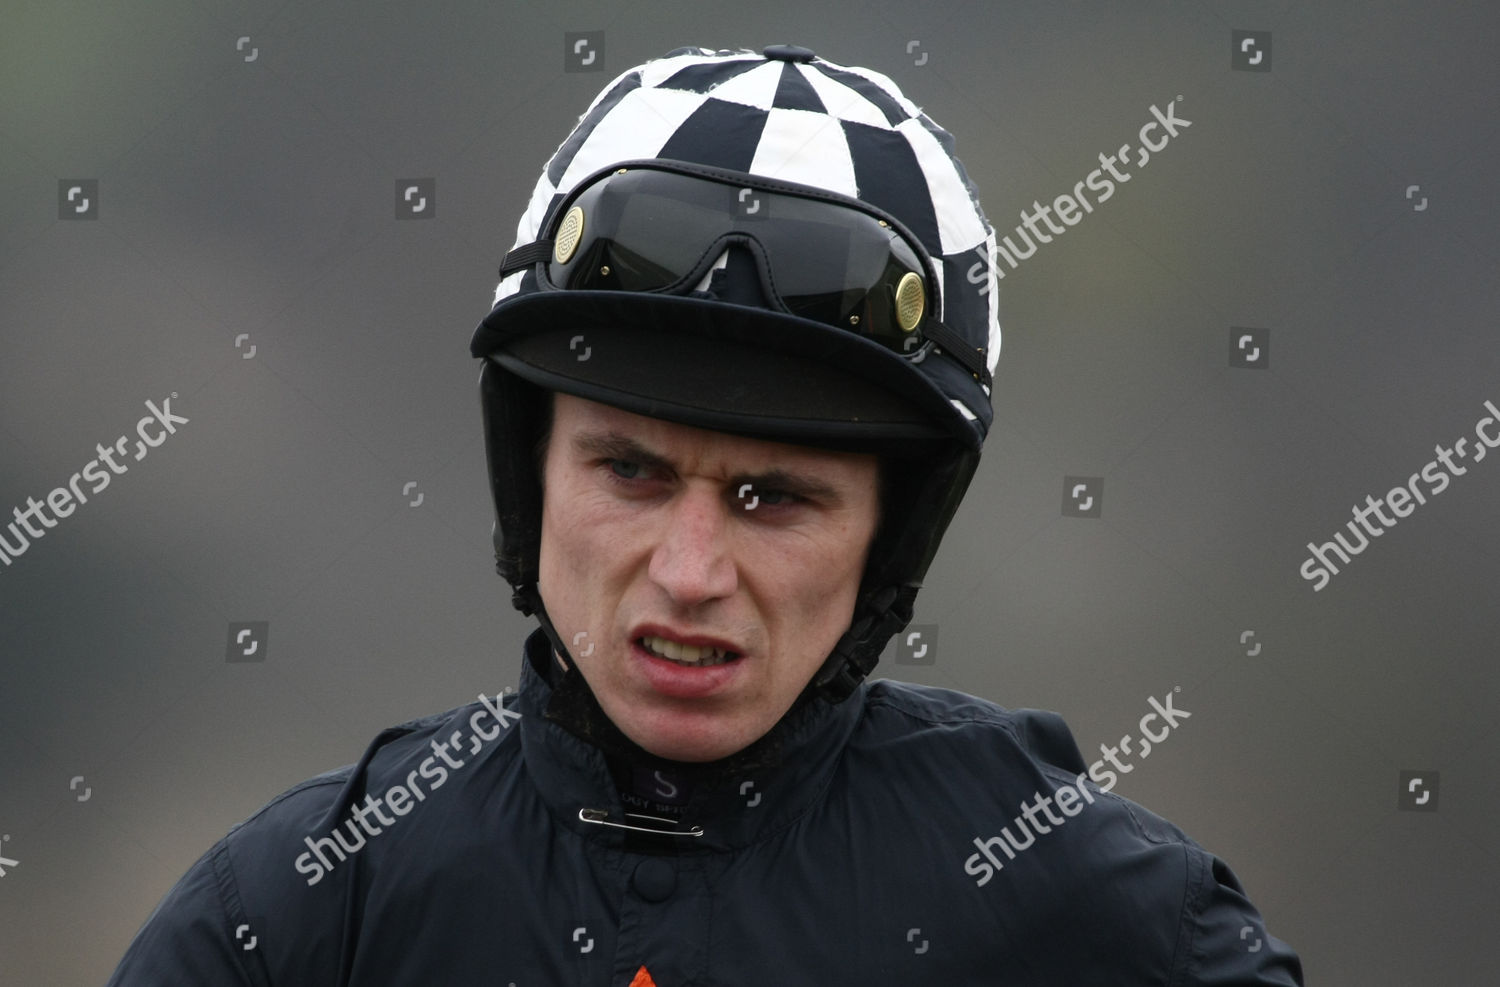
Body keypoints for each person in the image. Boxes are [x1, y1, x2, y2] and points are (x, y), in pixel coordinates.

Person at [107, 45, 1303, 985]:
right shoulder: (300, 913)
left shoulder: (1091, 910)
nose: (690, 571)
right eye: (629, 473)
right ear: (533, 479)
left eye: (773, 498)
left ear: (892, 535)